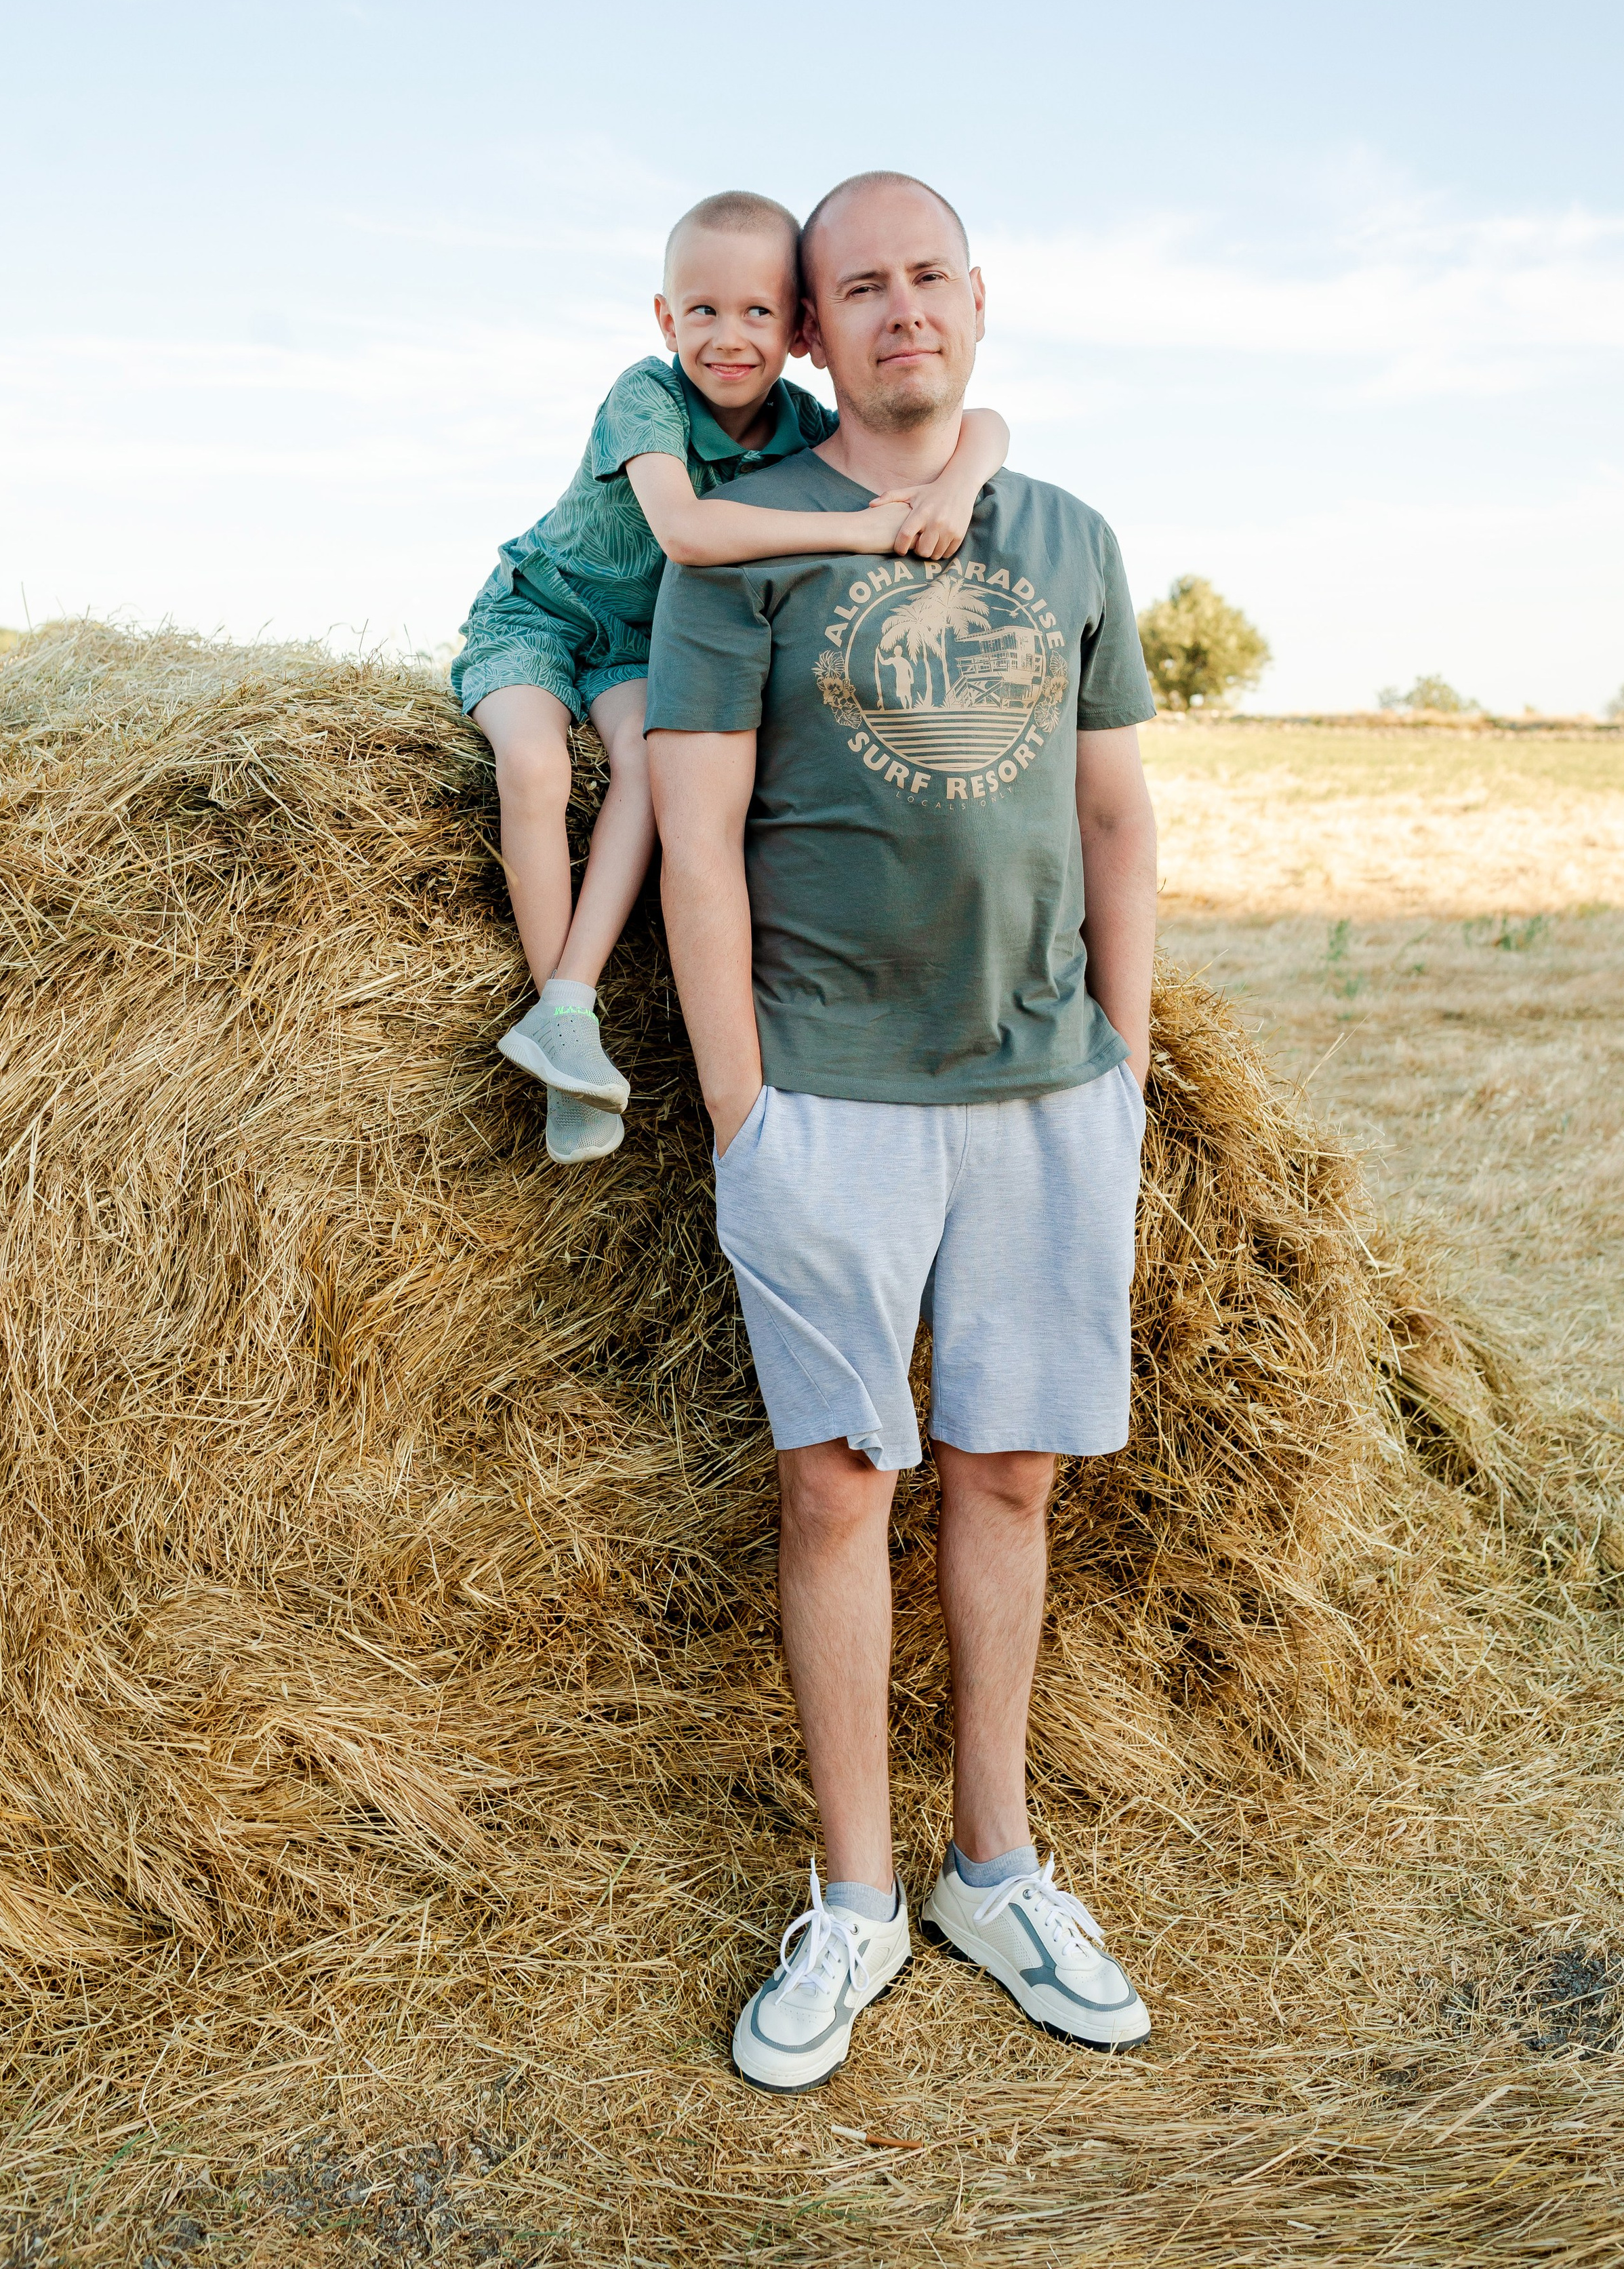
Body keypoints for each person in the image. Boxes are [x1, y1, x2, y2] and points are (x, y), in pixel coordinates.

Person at [645, 170, 1161, 2092]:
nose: (901, 310)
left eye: (928, 274)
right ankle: (858, 1897)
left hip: (1043, 1094)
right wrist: (738, 1107)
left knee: (1007, 1474)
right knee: (837, 1487)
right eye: (857, 286)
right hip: (830, 1093)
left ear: (978, 298)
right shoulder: (745, 544)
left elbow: (1117, 821)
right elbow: (697, 833)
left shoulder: (1072, 536)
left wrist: (1119, 1058)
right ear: (812, 330)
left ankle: (993, 1868)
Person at [450, 190, 1009, 1163]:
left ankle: (568, 1007)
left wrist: (954, 487)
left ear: (798, 332)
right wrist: (863, 528)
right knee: (538, 771)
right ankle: (561, 1019)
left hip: (636, 647)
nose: (727, 336)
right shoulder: (647, 395)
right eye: (702, 311)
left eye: (757, 312)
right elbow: (686, 529)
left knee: (647, 768)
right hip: (538, 615)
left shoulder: (797, 422)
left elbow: (987, 424)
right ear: (667, 320)